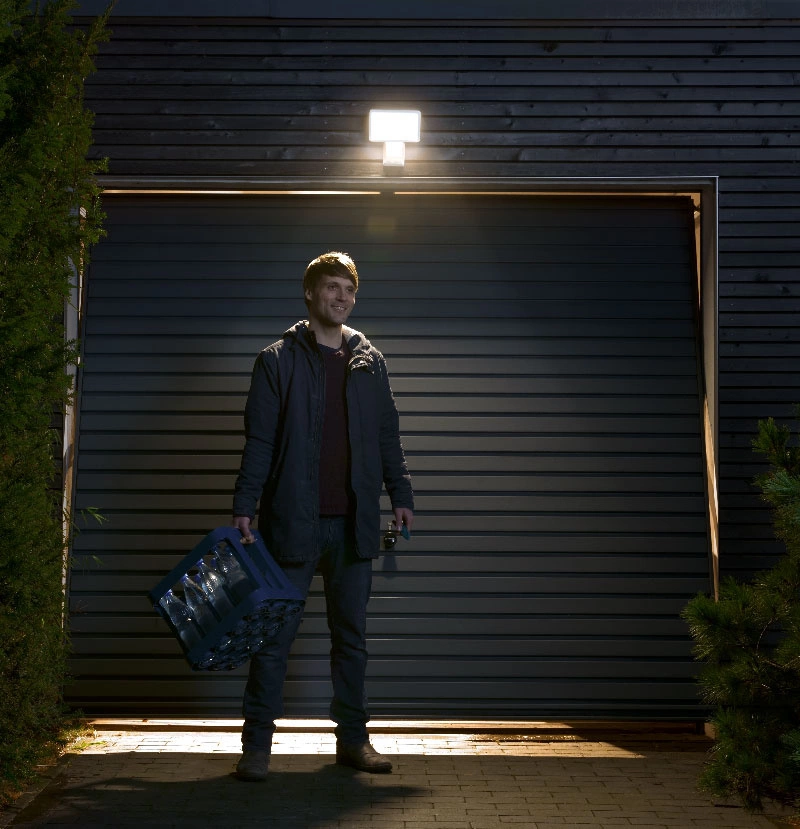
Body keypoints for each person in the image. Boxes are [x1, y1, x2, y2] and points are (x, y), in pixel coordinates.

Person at [231, 251, 414, 781]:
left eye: (349, 290)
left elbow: (387, 435)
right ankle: (256, 748)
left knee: (351, 641)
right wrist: (245, 505)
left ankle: (353, 742)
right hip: (292, 521)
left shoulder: (369, 362)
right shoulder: (277, 361)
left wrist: (401, 493)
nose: (342, 298)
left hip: (353, 526)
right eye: (332, 287)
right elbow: (260, 440)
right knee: (273, 640)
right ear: (311, 292)